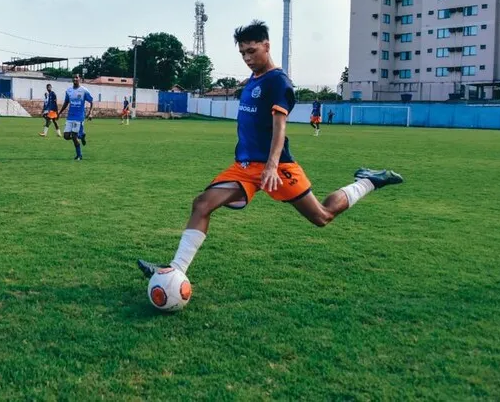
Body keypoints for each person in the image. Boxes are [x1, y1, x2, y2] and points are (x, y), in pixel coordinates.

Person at [137, 20, 403, 280]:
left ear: (267, 45)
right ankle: (175, 269)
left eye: (252, 51)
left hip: (277, 167)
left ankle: (368, 181)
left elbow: (280, 127)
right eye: (242, 53)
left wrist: (272, 165)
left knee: (322, 216)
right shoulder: (253, 80)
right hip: (244, 167)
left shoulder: (279, 82)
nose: (247, 57)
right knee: (202, 204)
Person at [57, 73, 94, 160]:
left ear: (79, 79)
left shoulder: (84, 90)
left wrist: (90, 113)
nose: (75, 79)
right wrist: (59, 113)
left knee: (74, 136)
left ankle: (79, 155)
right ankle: (81, 136)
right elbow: (66, 103)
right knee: (66, 136)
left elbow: (92, 102)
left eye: (76, 77)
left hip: (79, 117)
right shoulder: (69, 91)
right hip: (70, 117)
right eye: (73, 77)